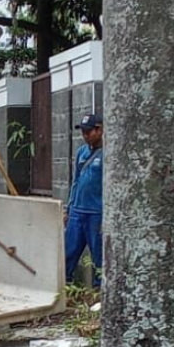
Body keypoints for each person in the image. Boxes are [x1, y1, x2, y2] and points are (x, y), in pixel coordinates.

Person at [65, 112, 104, 287]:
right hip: (77, 211)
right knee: (69, 251)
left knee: (98, 254)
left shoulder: (107, 154)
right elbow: (75, 181)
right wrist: (69, 207)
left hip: (96, 212)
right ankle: (65, 285)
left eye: (89, 132)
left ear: (99, 130)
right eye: (83, 132)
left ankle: (98, 289)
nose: (86, 136)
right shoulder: (82, 151)